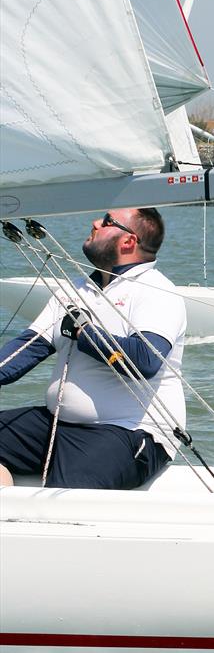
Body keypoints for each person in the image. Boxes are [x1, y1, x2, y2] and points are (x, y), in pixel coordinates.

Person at [0, 208, 186, 489]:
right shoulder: (76, 289)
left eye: (108, 221)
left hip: (128, 432)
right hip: (56, 425)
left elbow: (145, 362)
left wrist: (82, 333)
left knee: (63, 498)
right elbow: (22, 352)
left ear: (128, 242)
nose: (95, 222)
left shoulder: (156, 291)